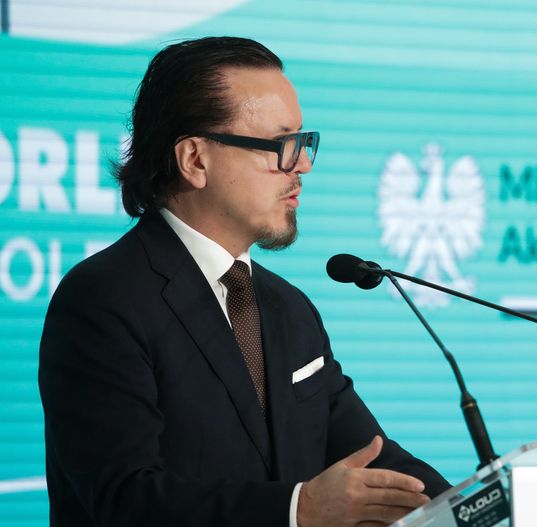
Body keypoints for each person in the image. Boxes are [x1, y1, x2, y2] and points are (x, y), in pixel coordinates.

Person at [38, 36, 449, 527]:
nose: (302, 165)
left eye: (304, 142)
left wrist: (477, 503)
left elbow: (372, 458)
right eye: (282, 145)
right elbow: (125, 499)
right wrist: (298, 511)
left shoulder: (289, 308)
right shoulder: (103, 299)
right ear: (195, 160)